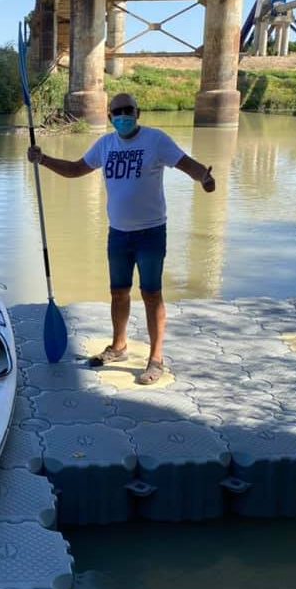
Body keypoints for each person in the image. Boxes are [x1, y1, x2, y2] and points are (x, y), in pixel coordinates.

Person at [26, 92, 216, 385]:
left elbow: (186, 164)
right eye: (117, 112)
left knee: (152, 294)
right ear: (110, 116)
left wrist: (204, 177)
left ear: (138, 112)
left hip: (151, 232)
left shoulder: (156, 140)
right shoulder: (106, 144)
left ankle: (156, 359)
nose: (123, 115)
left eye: (128, 110)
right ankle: (119, 346)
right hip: (119, 234)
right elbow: (77, 169)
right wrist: (44, 159)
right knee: (118, 292)